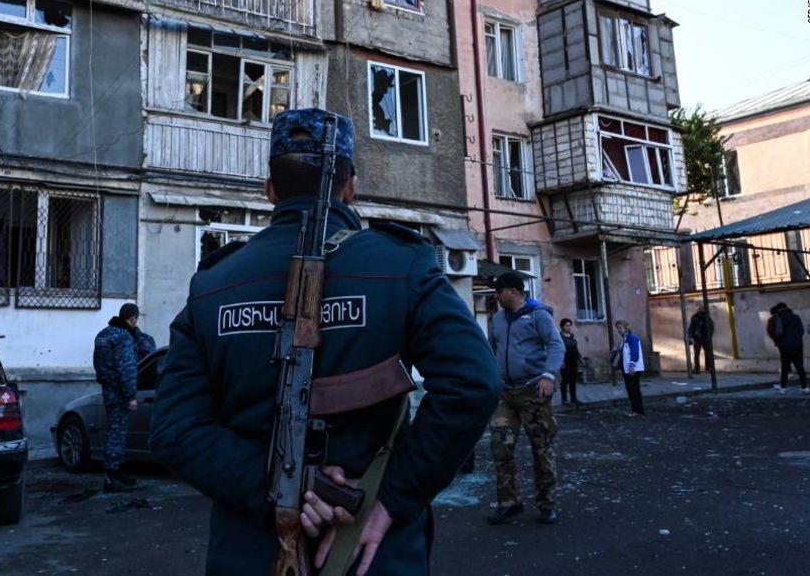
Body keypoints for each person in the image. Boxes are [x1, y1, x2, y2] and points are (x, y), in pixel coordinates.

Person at [150, 108, 501, 576]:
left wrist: (280, 491)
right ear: (350, 186)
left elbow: (175, 430)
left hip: (248, 552)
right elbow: (474, 383)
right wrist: (390, 499)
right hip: (369, 551)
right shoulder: (402, 265)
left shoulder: (213, 285)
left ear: (269, 190)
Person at [486, 271, 565, 526]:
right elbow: (491, 349)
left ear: (512, 291)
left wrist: (548, 375)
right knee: (501, 446)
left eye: (499, 291)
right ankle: (509, 503)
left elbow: (556, 345)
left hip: (534, 391)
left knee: (541, 448)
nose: (496, 296)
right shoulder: (498, 319)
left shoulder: (538, 315)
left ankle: (546, 503)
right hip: (505, 393)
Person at [93, 303, 156, 492]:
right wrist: (131, 396)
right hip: (120, 391)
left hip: (108, 388)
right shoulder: (123, 337)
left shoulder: (103, 335)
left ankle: (117, 471)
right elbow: (127, 369)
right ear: (133, 319)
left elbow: (98, 364)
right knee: (117, 432)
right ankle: (112, 475)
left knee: (114, 429)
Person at [767, 302, 808, 394]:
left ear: (778, 309)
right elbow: (801, 331)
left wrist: (778, 342)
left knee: (785, 367)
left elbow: (778, 332)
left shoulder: (778, 318)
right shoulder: (796, 317)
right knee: (800, 367)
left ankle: (783, 388)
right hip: (797, 345)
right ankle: (804, 388)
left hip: (785, 346)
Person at [615, 320, 645, 416]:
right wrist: (620, 367)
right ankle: (635, 409)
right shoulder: (624, 339)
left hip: (633, 368)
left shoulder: (632, 338)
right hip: (627, 368)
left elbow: (634, 352)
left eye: (620, 328)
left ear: (626, 327)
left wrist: (632, 365)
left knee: (634, 389)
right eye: (617, 328)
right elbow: (623, 355)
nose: (618, 330)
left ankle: (638, 410)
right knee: (631, 389)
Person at [559, 318, 581, 406]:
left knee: (573, 381)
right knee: (564, 381)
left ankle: (573, 398)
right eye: (567, 326)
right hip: (565, 361)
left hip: (573, 361)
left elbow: (575, 348)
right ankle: (564, 399)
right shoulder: (560, 337)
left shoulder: (572, 336)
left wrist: (580, 358)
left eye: (570, 325)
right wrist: (561, 361)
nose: (569, 327)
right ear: (562, 327)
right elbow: (559, 350)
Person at [687, 303, 713, 374]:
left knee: (697, 354)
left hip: (698, 338)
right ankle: (708, 368)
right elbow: (711, 328)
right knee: (706, 354)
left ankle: (697, 369)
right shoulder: (707, 317)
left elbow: (691, 328)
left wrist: (690, 337)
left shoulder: (695, 317)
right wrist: (709, 336)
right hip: (704, 338)